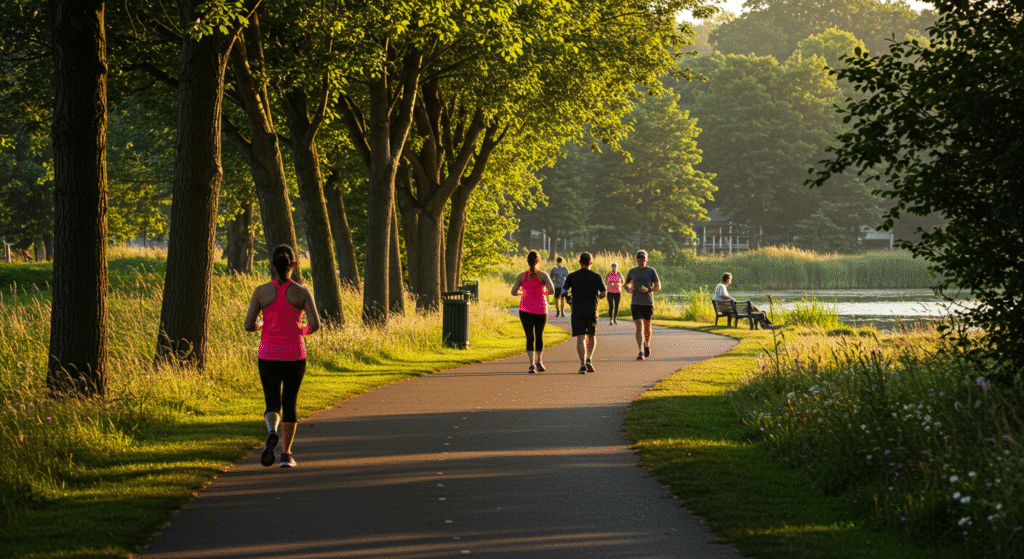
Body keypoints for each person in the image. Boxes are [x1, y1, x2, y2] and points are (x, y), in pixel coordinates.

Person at [244, 245, 321, 468]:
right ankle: (286, 455)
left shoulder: (261, 292)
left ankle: (271, 431)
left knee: (271, 401)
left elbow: (248, 325)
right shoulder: (302, 292)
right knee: (290, 402)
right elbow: (315, 324)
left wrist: (260, 325)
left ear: (273, 265)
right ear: (293, 266)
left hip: (268, 354)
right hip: (294, 354)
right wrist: (301, 331)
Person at [510, 250, 557, 373]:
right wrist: (543, 292)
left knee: (529, 337)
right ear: (538, 261)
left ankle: (532, 364)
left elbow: (513, 292)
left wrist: (522, 292)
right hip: (541, 309)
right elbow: (552, 290)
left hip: (525, 309)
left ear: (528, 261)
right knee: (539, 336)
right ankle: (539, 360)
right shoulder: (543, 275)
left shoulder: (522, 276)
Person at [561, 252, 607, 374]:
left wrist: (568, 298)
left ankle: (582, 365)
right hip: (592, 310)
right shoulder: (596, 276)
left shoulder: (572, 276)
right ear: (590, 263)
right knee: (591, 336)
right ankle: (589, 359)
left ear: (579, 262)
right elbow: (603, 293)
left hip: (577, 310)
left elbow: (563, 291)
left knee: (580, 338)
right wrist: (597, 297)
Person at [624, 250, 661, 361]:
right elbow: (625, 284)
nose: (641, 260)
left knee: (647, 327)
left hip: (648, 303)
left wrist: (648, 289)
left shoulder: (651, 271)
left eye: (643, 258)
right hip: (635, 303)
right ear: (636, 259)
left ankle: (647, 345)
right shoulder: (632, 271)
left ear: (646, 259)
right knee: (639, 326)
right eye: (639, 258)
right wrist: (629, 289)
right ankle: (640, 351)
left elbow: (658, 286)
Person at [714, 273, 781, 330]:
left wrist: (732, 300)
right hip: (730, 309)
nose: (730, 281)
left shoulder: (719, 285)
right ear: (728, 280)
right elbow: (724, 296)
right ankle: (768, 325)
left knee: (758, 311)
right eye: (730, 280)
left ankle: (765, 323)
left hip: (726, 308)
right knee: (756, 309)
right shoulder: (721, 286)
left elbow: (723, 297)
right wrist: (733, 299)